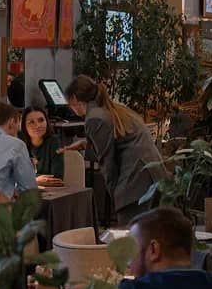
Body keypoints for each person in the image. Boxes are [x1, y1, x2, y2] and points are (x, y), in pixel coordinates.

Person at [65, 75, 167, 225]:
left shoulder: (94, 118)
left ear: (74, 99)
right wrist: (86, 144)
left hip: (135, 181)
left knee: (131, 233)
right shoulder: (114, 109)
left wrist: (116, 196)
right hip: (152, 174)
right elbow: (120, 141)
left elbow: (108, 163)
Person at [19, 105, 65, 185]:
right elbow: (15, 177)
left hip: (50, 191)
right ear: (24, 126)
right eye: (31, 122)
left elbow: (57, 178)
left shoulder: (54, 142)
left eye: (41, 120)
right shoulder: (19, 144)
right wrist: (35, 180)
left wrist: (30, 179)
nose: (38, 125)